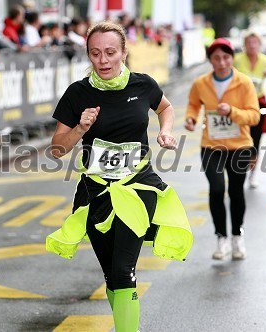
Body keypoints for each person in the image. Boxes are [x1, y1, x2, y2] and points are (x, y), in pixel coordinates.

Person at [46, 21, 193, 332]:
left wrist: (165, 132)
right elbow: (57, 149)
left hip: (138, 187)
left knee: (124, 268)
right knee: (112, 273)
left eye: (111, 52)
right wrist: (80, 129)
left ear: (124, 52)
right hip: (96, 191)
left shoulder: (143, 85)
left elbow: (165, 108)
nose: (103, 60)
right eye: (96, 53)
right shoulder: (77, 93)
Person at [184, 38, 260, 260]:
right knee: (216, 189)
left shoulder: (244, 83)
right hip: (212, 145)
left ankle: (237, 236)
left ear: (232, 58)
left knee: (236, 192)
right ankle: (221, 238)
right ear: (210, 60)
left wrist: (232, 112)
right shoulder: (201, 83)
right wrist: (190, 118)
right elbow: (193, 104)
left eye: (226, 57)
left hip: (240, 146)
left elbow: (254, 116)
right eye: (216, 58)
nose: (222, 62)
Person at [234, 31, 266, 188]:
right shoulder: (237, 60)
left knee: (256, 139)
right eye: (249, 43)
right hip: (238, 104)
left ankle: (252, 174)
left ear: (260, 45)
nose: (252, 46)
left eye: (255, 43)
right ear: (244, 45)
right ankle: (238, 167)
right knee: (240, 138)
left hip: (258, 103)